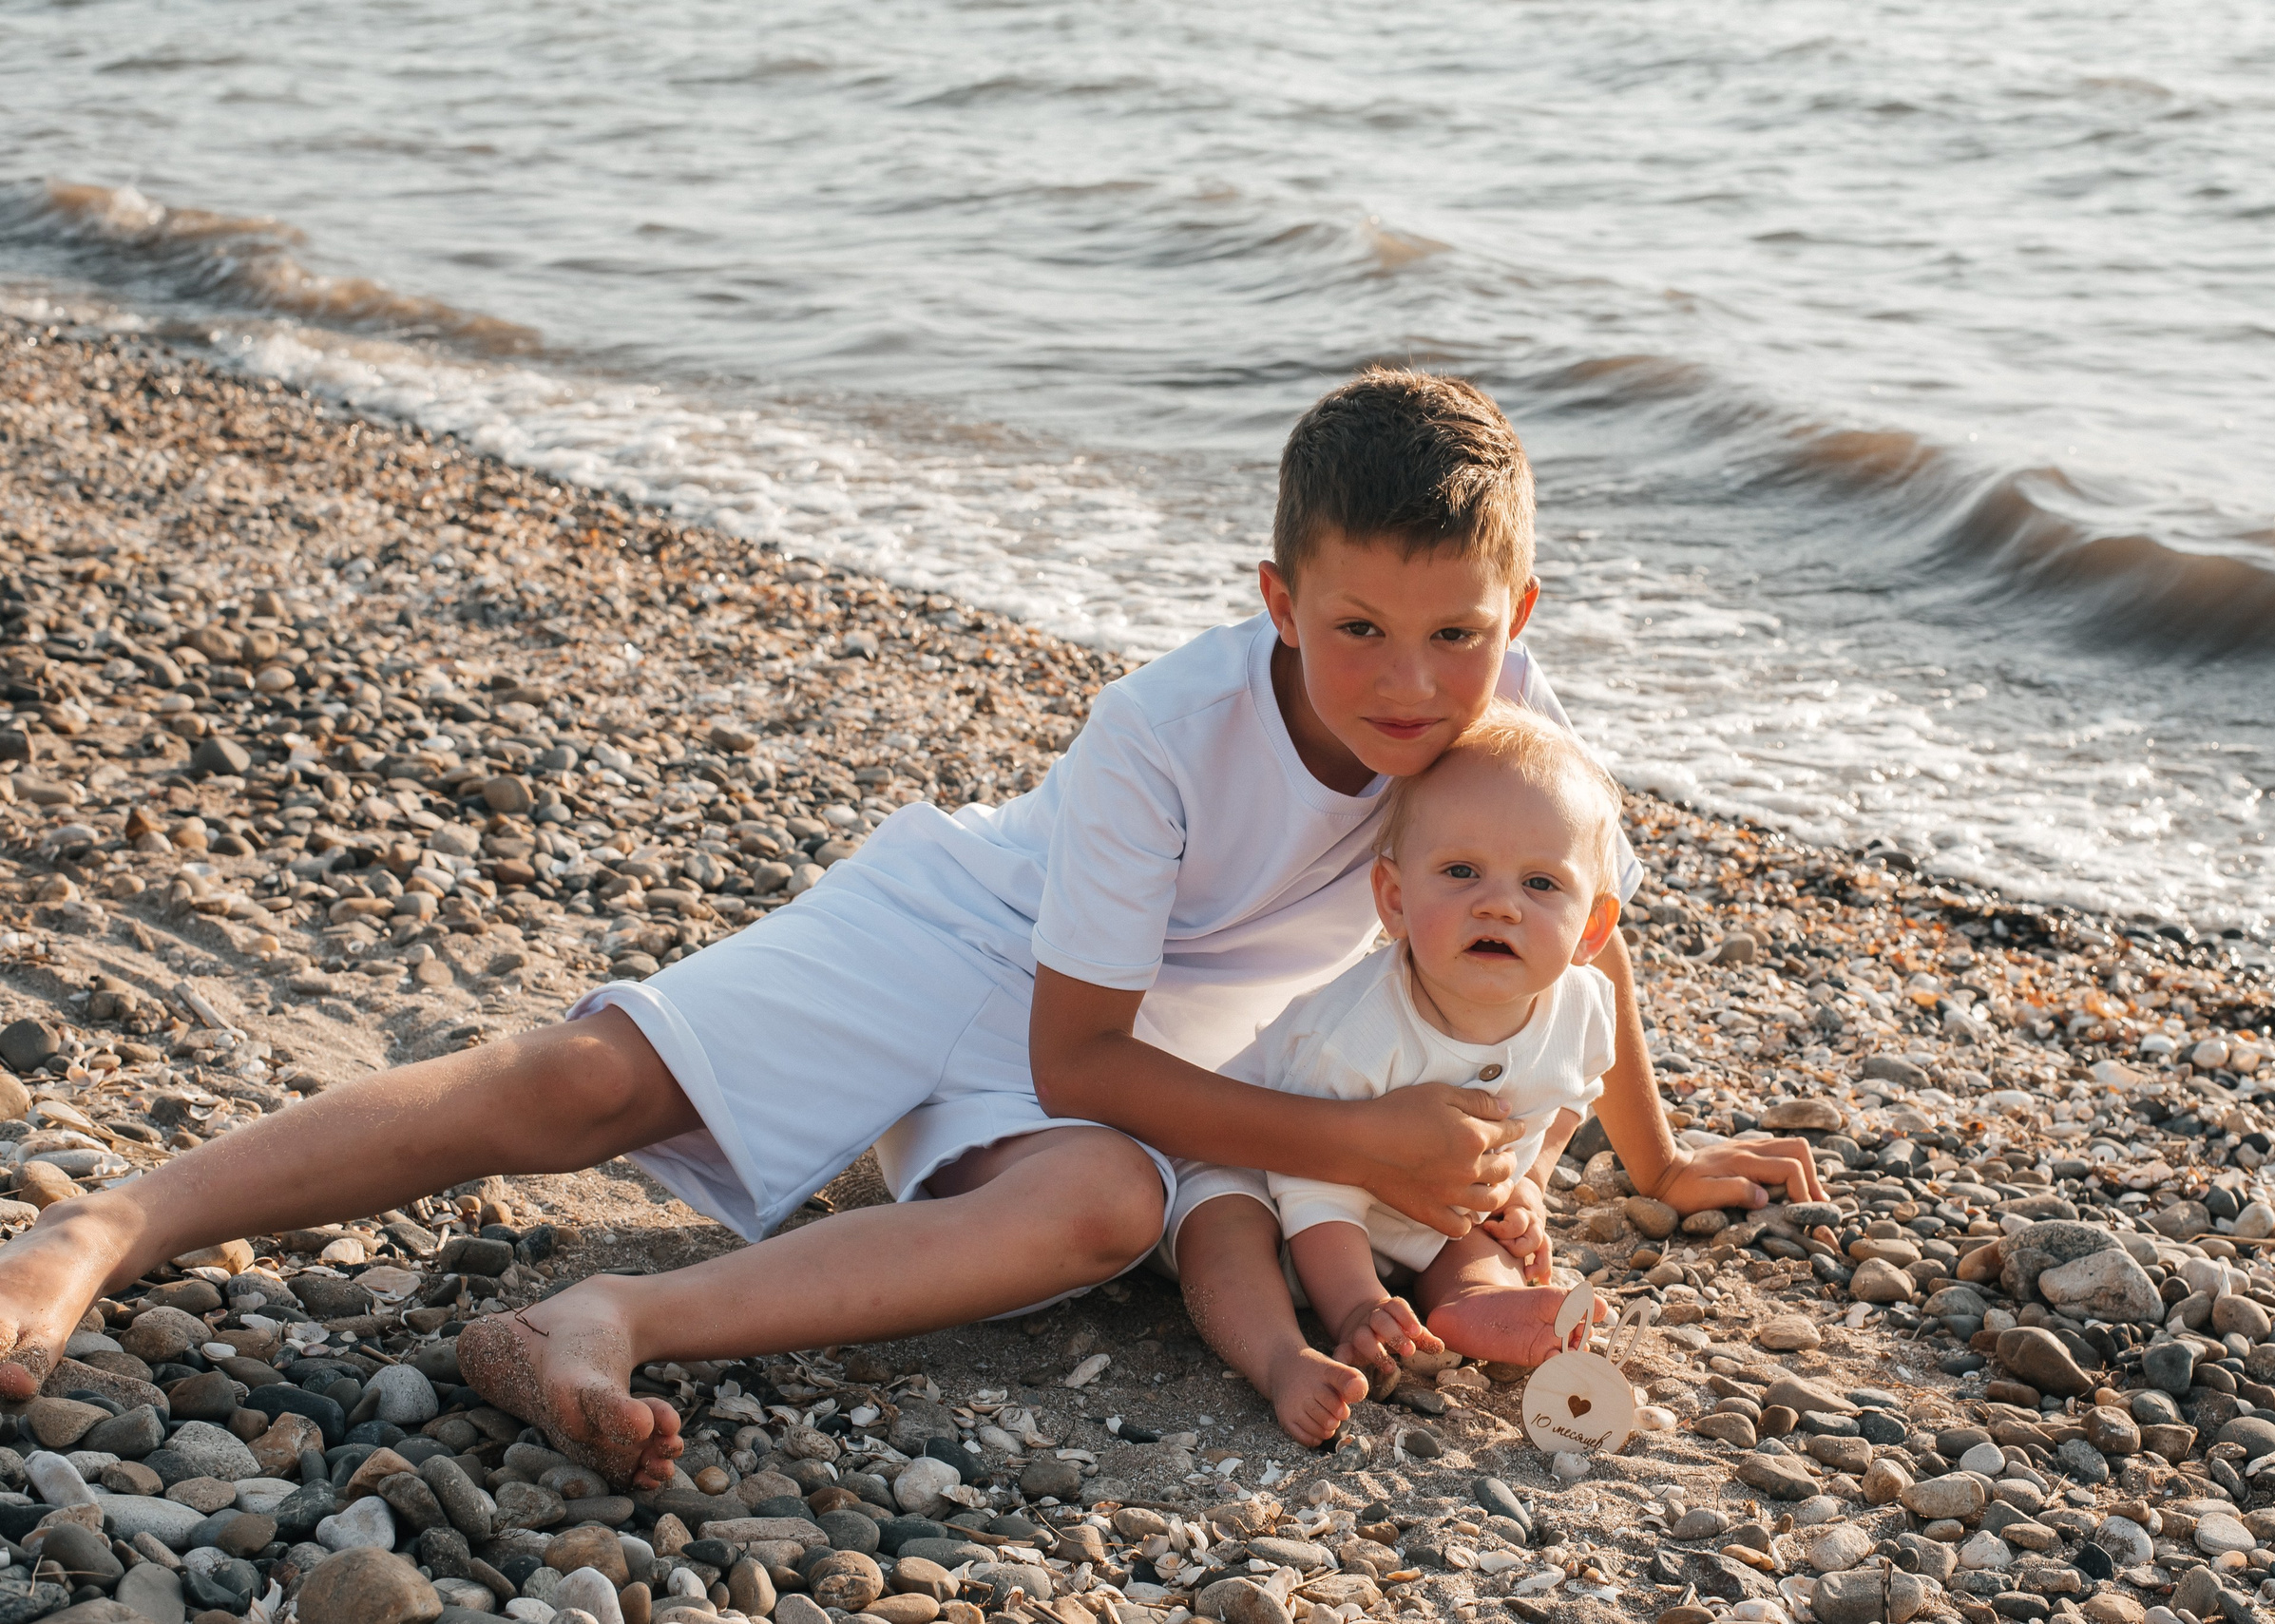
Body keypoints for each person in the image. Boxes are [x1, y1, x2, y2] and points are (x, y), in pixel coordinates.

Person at [0, 369, 1818, 1487]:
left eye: (1458, 634)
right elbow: (1069, 1045)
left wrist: (1652, 1158)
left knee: (1097, 1209)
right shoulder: (1161, 734)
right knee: (580, 1084)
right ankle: (108, 1222)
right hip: (980, 938)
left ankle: (604, 1314)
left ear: (1521, 605)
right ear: (1277, 595)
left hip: (1164, 1051)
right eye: (1357, 630)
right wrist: (1359, 1141)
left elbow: (1592, 940)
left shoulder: (1526, 731)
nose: (1412, 684)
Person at [1177, 702, 1638, 1443]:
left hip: (1419, 1200)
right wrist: (1356, 1303)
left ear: (1593, 926)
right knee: (1221, 1225)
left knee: (1477, 1232)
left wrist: (1525, 1184)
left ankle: (1475, 1301)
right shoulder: (1357, 1030)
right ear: (1395, 898)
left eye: (1542, 884)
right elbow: (1311, 1178)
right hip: (1276, 1174)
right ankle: (1282, 1357)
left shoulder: (1584, 1007)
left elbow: (1567, 1098)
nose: (1498, 903)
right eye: (1461, 872)